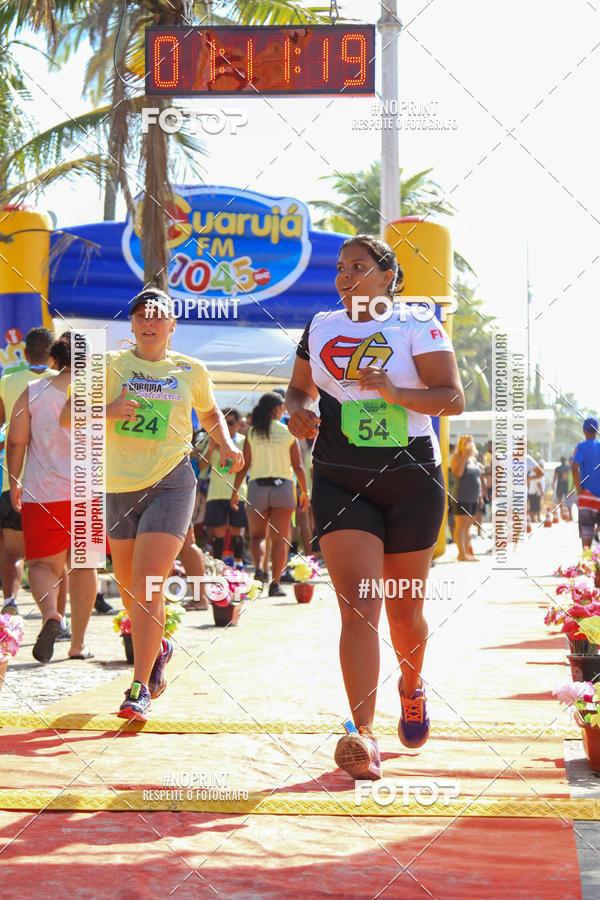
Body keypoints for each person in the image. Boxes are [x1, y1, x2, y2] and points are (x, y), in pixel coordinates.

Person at [286, 234, 464, 780]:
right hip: (341, 480)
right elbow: (297, 392)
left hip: (411, 479)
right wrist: (298, 413)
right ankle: (362, 735)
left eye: (358, 267)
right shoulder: (319, 327)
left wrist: (395, 393)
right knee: (358, 606)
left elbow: (451, 397)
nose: (344, 276)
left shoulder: (416, 321)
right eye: (340, 268)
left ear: (388, 275)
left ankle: (411, 687)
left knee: (403, 615)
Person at [60, 288, 243, 721]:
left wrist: (228, 444)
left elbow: (211, 413)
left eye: (159, 316)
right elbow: (68, 413)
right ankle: (157, 646)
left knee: (146, 586)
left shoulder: (189, 370)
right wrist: (108, 409)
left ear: (172, 325)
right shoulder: (109, 365)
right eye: (142, 315)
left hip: (171, 483)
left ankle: (139, 687)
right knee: (130, 591)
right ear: (133, 324)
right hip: (119, 487)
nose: (150, 322)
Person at [6, 332, 96, 662]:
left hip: (42, 494)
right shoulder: (98, 394)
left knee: (44, 564)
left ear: (54, 361)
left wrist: (15, 480)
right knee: (84, 566)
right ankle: (78, 644)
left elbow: (15, 442)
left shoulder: (32, 393)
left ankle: (51, 616)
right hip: (89, 494)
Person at [0, 327, 57, 616]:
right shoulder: (64, 383)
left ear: (24, 353)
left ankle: (9, 602)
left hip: (11, 478)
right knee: (55, 558)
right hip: (53, 482)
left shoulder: (7, 381)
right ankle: (55, 616)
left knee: (11, 551)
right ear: (54, 353)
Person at [232, 392, 309, 597]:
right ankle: (275, 584)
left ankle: (259, 570)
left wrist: (234, 492)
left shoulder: (252, 433)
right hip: (283, 487)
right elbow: (298, 466)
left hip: (257, 487)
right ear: (276, 409)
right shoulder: (287, 432)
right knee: (281, 539)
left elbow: (244, 465)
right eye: (283, 406)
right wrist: (305, 490)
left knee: (257, 537)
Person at [203, 409, 248, 565]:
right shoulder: (213, 440)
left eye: (230, 423)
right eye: (224, 423)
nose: (227, 427)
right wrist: (210, 450)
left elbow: (247, 465)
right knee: (218, 533)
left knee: (237, 531)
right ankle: (219, 567)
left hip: (237, 493)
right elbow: (202, 467)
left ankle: (238, 566)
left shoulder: (243, 441)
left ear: (238, 424)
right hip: (216, 493)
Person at [450, 436, 484, 560]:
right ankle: (461, 553)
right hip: (461, 495)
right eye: (465, 443)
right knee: (461, 524)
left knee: (468, 525)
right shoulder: (457, 457)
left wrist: (480, 497)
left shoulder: (473, 460)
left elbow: (479, 479)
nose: (468, 445)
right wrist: (464, 457)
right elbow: (458, 473)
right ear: (460, 445)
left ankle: (467, 552)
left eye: (470, 442)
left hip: (474, 496)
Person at [572, 417, 600, 550]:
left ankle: (587, 565)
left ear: (584, 430)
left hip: (586, 496)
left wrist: (578, 489)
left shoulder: (580, 447)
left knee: (587, 534)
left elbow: (574, 467)